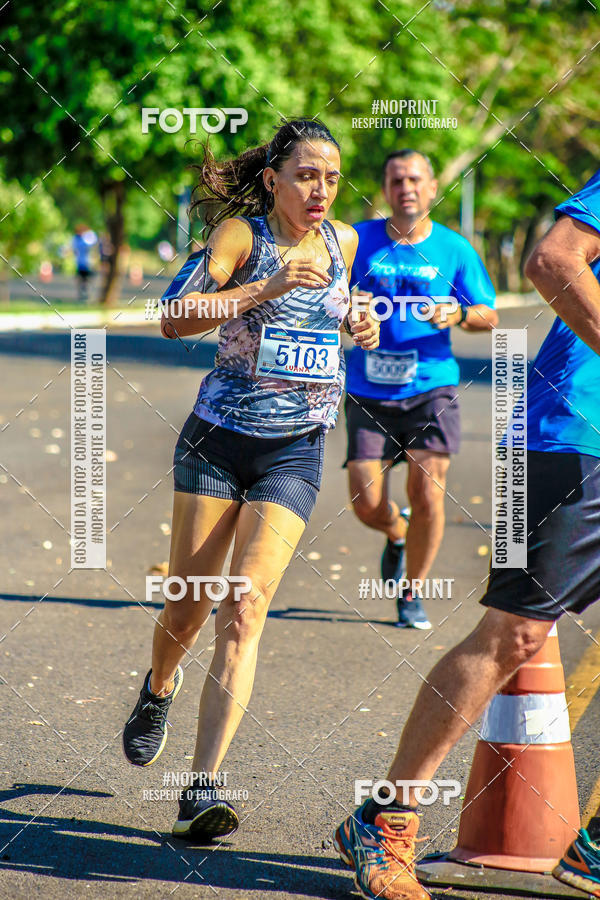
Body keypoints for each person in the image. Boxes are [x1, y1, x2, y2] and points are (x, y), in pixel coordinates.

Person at [333, 168, 600, 899]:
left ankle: (593, 848)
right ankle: (385, 819)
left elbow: (484, 306)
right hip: (571, 437)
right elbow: (552, 259)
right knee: (513, 634)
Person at [121, 118, 379, 842]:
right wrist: (263, 286)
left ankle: (200, 788)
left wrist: (361, 321)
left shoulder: (344, 241)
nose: (321, 189)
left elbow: (342, 315)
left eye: (330, 176)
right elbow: (175, 316)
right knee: (189, 609)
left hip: (295, 448)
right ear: (272, 180)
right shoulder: (242, 237)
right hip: (218, 442)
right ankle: (158, 687)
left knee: (247, 606)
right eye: (305, 175)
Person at [344, 150, 497, 629]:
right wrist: (349, 309)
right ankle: (395, 530)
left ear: (432, 188)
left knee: (429, 490)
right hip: (368, 388)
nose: (405, 187)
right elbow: (325, 296)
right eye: (395, 179)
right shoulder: (357, 240)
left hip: (433, 386)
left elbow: (488, 314)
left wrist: (458, 314)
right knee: (366, 504)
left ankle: (411, 592)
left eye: (414, 179)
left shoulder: (455, 249)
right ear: (384, 189)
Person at [72, 224, 98, 301]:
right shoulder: (78, 240)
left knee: (86, 280)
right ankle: (83, 295)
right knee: (82, 280)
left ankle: (86, 294)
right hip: (81, 264)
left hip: (87, 264)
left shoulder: (81, 239)